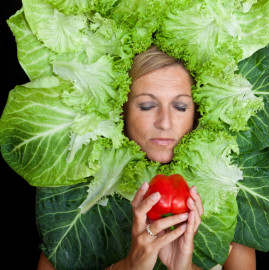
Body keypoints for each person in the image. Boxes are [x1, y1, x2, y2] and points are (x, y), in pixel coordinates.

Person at [37, 46, 256, 270]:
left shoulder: (230, 193)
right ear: (121, 111)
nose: (165, 122)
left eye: (180, 107)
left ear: (196, 114)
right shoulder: (80, 199)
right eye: (147, 106)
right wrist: (129, 267)